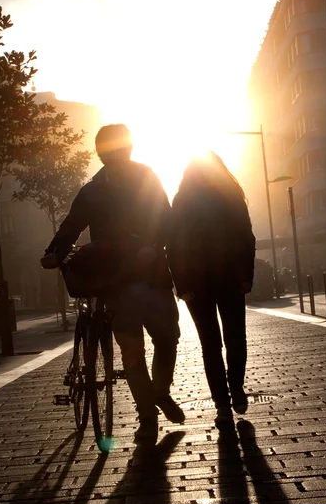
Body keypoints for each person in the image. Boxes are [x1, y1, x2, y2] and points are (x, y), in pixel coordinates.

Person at [41, 124, 184, 443]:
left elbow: (166, 218)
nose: (116, 156)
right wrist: (54, 252)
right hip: (117, 282)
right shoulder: (93, 190)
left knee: (167, 338)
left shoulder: (146, 177)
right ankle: (147, 416)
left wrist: (153, 245)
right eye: (110, 152)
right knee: (132, 350)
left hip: (153, 275)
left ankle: (159, 392)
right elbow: (71, 225)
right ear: (103, 155)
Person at [167, 151, 256, 423]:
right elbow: (246, 238)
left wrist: (182, 285)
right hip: (225, 279)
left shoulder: (183, 201)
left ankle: (223, 403)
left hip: (199, 284)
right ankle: (233, 393)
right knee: (233, 337)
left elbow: (173, 246)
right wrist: (245, 276)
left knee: (213, 344)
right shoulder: (230, 196)